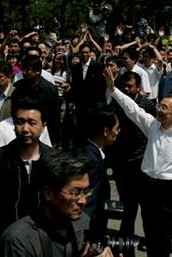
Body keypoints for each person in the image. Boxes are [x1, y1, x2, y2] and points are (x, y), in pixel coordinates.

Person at [104, 67, 172, 257]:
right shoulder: (152, 126)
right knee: (150, 230)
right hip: (147, 185)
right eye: (159, 105)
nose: (159, 110)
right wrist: (114, 89)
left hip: (169, 189)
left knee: (164, 234)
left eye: (164, 108)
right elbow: (132, 109)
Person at [0, 96, 53, 256]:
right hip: (1, 245)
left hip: (43, 245)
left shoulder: (54, 162)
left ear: (43, 126)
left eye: (32, 123)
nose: (25, 128)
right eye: (20, 122)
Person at [1, 151, 117, 257]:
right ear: (48, 193)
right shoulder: (19, 240)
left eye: (86, 192)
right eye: (75, 193)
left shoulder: (83, 224)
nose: (83, 201)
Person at [107, 71, 156, 238]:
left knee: (146, 204)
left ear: (138, 87)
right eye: (124, 86)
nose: (126, 89)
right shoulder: (116, 103)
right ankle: (126, 235)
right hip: (121, 160)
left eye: (130, 86)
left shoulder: (147, 105)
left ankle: (150, 237)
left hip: (141, 161)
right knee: (127, 201)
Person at [73, 103, 120, 242]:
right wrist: (79, 238)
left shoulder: (84, 149)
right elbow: (87, 203)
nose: (117, 132)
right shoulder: (92, 161)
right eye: (116, 128)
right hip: (89, 233)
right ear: (106, 131)